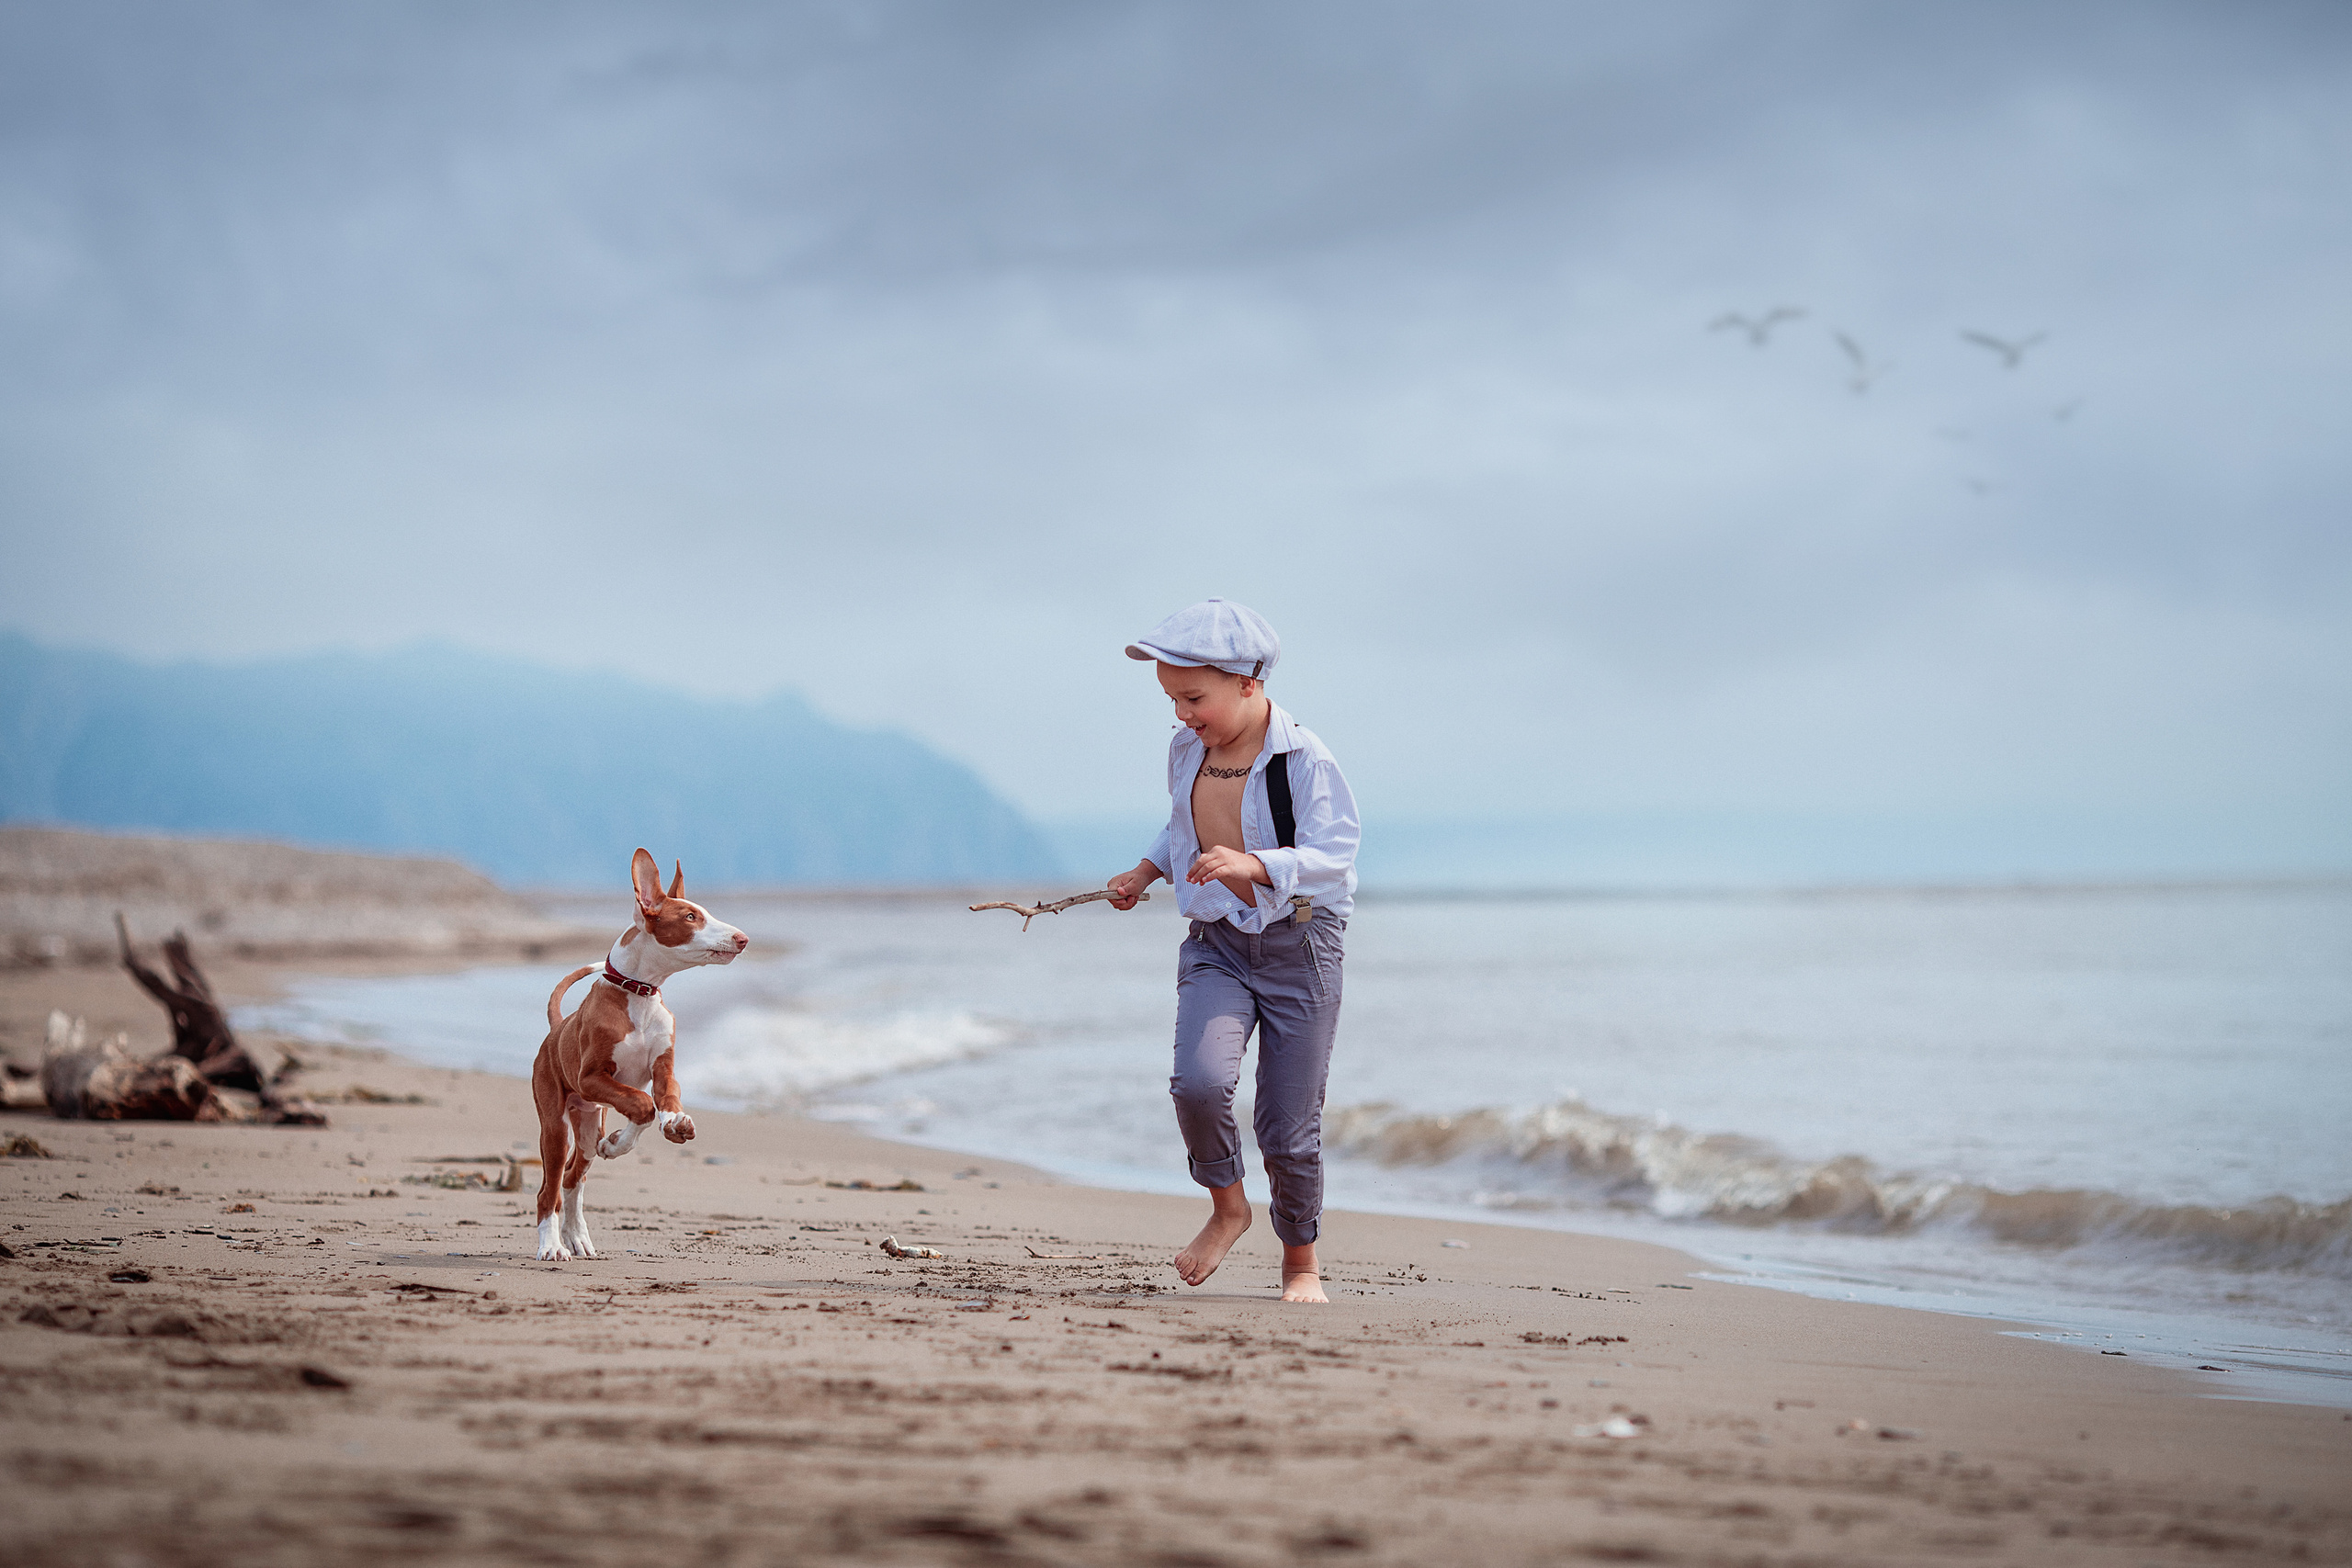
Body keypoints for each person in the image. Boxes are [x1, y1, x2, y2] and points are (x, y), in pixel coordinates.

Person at [1105, 599, 1359, 1303]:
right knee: (1197, 1082)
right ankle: (1227, 1206)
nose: (1182, 714)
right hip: (1217, 942)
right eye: (1172, 700)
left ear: (1249, 681)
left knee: (1287, 1123)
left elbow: (1334, 854)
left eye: (1193, 697)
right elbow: (1183, 823)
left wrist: (1258, 865)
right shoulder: (1189, 749)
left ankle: (1300, 1260)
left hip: (1298, 944)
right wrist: (1146, 870)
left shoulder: (1303, 757)